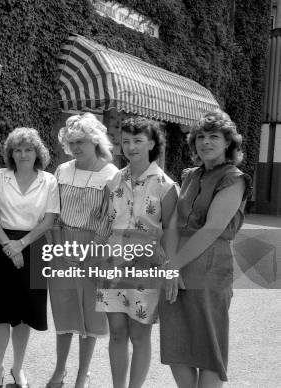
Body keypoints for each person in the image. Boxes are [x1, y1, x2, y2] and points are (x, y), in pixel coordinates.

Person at [159, 110, 250, 388]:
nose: (206, 142)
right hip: (175, 266)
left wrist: (173, 266)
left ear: (228, 143)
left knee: (208, 347)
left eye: (214, 136)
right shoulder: (189, 175)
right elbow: (173, 222)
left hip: (210, 269)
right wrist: (171, 265)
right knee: (176, 345)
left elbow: (212, 228)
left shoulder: (234, 178)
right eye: (200, 136)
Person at [95, 118, 178, 388]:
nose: (131, 147)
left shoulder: (166, 186)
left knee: (140, 336)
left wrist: (170, 270)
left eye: (138, 141)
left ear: (152, 143)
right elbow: (106, 223)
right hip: (113, 265)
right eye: (126, 141)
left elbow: (169, 234)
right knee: (117, 333)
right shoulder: (113, 180)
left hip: (147, 270)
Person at [46, 113, 118, 388]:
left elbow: (109, 217)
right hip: (62, 245)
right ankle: (60, 369)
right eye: (72, 142)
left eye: (82, 142)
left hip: (94, 250)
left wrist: (91, 252)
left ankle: (82, 373)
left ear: (96, 141)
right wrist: (56, 248)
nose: (76, 147)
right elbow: (52, 210)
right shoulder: (62, 171)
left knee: (90, 314)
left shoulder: (111, 175)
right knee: (64, 311)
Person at [0, 127, 59, 388]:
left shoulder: (49, 180)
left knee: (26, 314)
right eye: (18, 149)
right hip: (0, 244)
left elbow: (49, 219)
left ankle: (18, 368)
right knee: (1, 314)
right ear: (10, 153)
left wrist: (22, 244)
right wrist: (9, 245)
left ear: (37, 152)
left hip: (36, 247)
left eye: (28, 149)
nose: (23, 154)